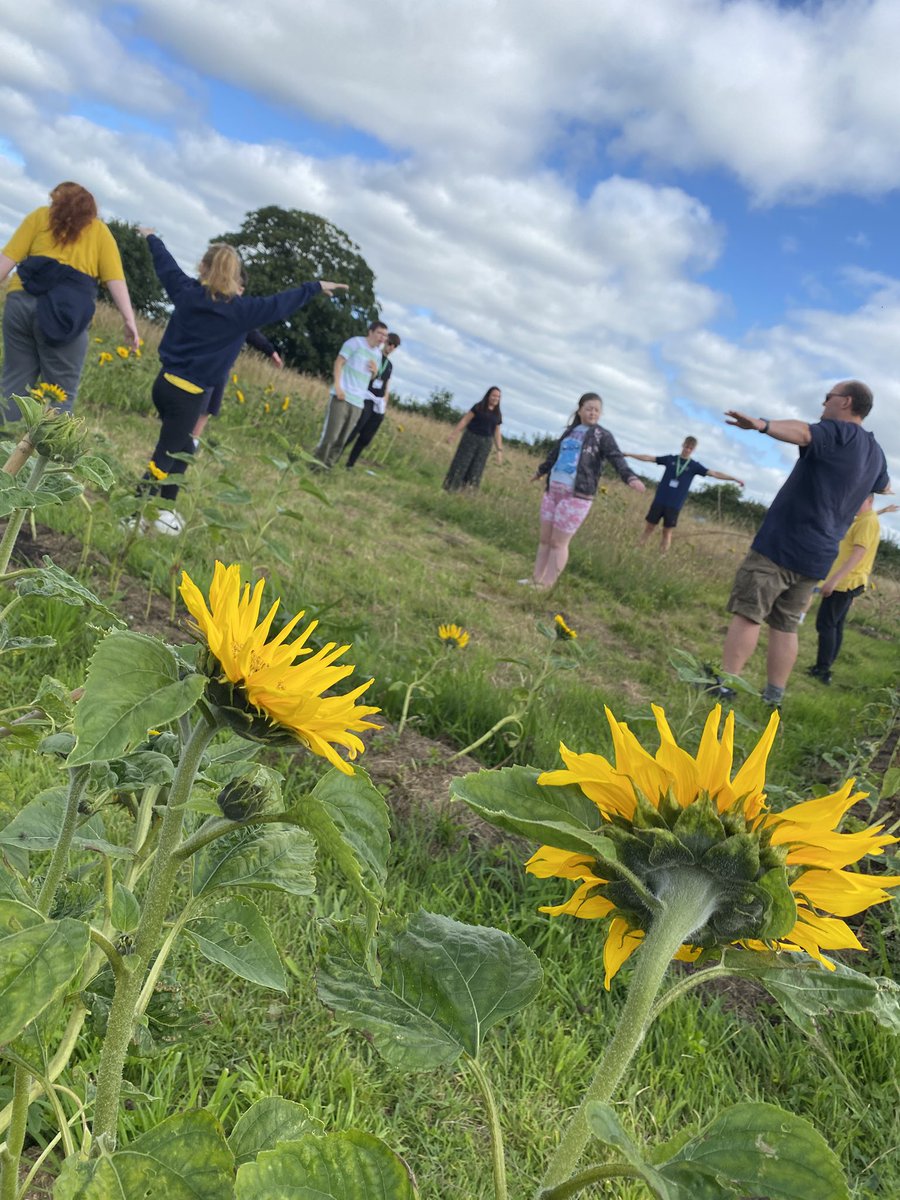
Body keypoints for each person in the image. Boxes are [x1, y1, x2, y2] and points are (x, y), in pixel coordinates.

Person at [137, 229, 345, 534]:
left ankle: (166, 510)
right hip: (189, 394)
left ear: (203, 268)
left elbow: (165, 265)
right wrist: (314, 287)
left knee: (183, 449)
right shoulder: (242, 312)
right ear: (235, 276)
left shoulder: (186, 292)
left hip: (164, 384)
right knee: (165, 456)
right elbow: (280, 304)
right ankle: (134, 515)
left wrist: (152, 238)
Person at [717, 381, 890, 706]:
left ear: (846, 402)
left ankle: (725, 686)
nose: (823, 404)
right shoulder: (876, 454)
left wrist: (761, 425)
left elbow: (805, 433)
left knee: (749, 614)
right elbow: (884, 486)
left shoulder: (839, 432)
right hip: (819, 557)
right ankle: (773, 698)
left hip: (781, 545)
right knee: (785, 627)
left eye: (828, 398)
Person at [0, 182, 139, 420]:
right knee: (60, 392)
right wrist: (129, 321)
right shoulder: (99, 231)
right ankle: (49, 451)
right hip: (66, 315)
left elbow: (6, 260)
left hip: (21, 303)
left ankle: (4, 439)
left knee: (14, 379)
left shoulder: (40, 217)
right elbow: (115, 279)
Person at [523, 392, 645, 589]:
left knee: (558, 543)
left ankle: (546, 585)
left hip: (577, 496)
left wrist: (629, 477)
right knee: (545, 540)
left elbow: (616, 457)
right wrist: (540, 471)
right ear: (579, 410)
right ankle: (535, 579)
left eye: (597, 410)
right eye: (589, 408)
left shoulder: (602, 436)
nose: (593, 412)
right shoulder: (569, 432)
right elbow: (554, 455)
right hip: (553, 491)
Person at [807, 497, 897, 685]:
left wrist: (834, 581)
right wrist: (884, 511)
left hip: (846, 582)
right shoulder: (866, 519)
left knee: (826, 624)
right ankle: (825, 666)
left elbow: (858, 554)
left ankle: (822, 669)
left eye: (859, 498)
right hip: (851, 581)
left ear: (869, 500)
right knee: (835, 625)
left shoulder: (867, 522)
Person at [626, 436, 745, 552]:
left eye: (690, 448)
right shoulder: (670, 459)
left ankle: (661, 556)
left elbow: (714, 473)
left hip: (674, 505)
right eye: (686, 446)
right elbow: (649, 458)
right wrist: (629, 454)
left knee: (667, 532)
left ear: (693, 450)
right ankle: (637, 548)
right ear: (683, 445)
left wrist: (733, 478)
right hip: (660, 500)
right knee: (649, 527)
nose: (687, 449)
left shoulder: (694, 466)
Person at [192, 327, 284, 445]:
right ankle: (180, 435)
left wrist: (270, 351)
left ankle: (193, 440)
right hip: (204, 356)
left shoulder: (242, 314)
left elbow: (250, 330)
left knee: (210, 404)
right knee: (197, 400)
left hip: (224, 364)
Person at [314, 321, 387, 467]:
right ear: (370, 332)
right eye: (379, 333)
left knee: (342, 438)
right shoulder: (355, 343)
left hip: (358, 401)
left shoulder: (378, 355)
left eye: (385, 336)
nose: (382, 338)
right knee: (331, 435)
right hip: (342, 396)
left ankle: (328, 466)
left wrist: (374, 372)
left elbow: (371, 378)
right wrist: (338, 387)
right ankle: (316, 464)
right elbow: (339, 363)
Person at [342, 331, 401, 468]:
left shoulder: (390, 365)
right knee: (357, 427)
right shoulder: (374, 355)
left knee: (367, 436)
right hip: (366, 396)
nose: (391, 347)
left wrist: (385, 402)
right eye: (390, 343)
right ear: (385, 342)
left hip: (378, 401)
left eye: (395, 346)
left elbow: (387, 384)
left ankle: (350, 463)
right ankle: (336, 452)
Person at [443, 386, 504, 491]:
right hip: (470, 438)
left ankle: (467, 491)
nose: (496, 398)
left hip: (485, 443)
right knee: (461, 463)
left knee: (477, 467)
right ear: (488, 395)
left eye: (498, 397)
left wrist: (499, 450)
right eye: (494, 395)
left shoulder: (497, 414)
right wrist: (454, 434)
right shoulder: (478, 407)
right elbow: (465, 420)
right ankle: (451, 488)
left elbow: (497, 432)